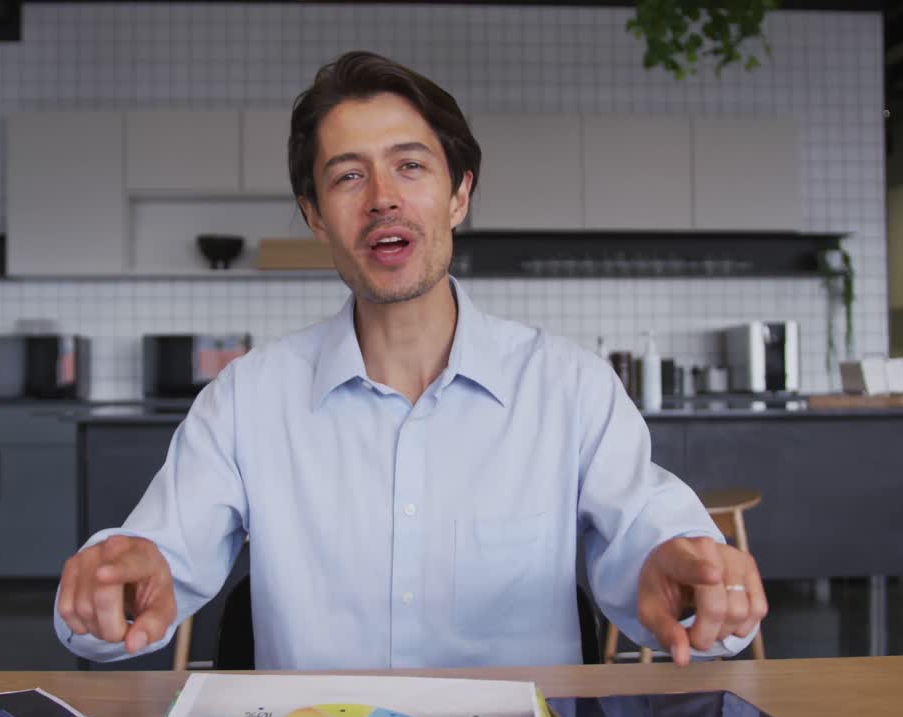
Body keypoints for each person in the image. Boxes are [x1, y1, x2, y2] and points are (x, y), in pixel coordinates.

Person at [55, 50, 767, 670]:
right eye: (347, 177)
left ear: (459, 194)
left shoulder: (568, 387)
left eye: (410, 166)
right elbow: (149, 568)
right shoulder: (247, 399)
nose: (383, 199)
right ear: (313, 214)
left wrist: (685, 576)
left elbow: (650, 536)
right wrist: (117, 582)